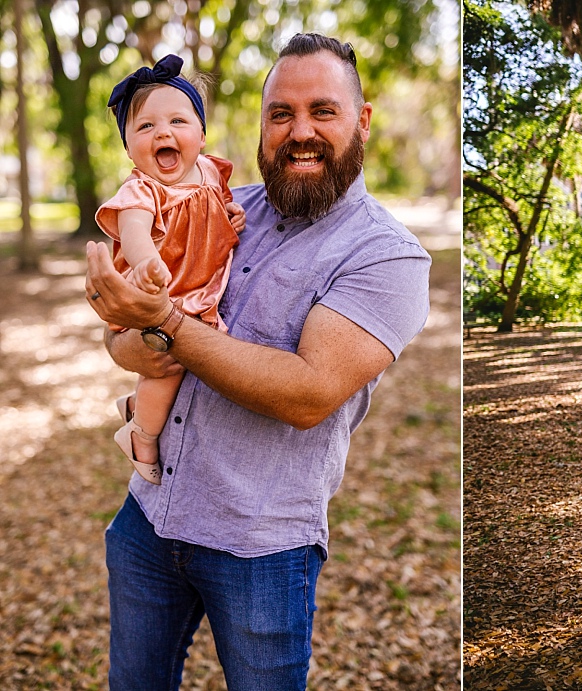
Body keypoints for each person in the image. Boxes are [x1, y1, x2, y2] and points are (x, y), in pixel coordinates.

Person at [83, 34, 432, 689]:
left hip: (261, 546)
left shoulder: (388, 256)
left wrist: (159, 322)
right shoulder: (219, 206)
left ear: (362, 120)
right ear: (261, 125)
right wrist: (131, 322)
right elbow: (122, 338)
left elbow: (308, 393)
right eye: (281, 113)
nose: (300, 131)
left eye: (322, 111)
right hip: (150, 517)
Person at [96, 54, 246, 485]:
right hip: (163, 292)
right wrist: (147, 266)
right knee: (170, 365)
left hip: (200, 287)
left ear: (201, 135)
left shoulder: (208, 173)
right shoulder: (142, 190)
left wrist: (231, 215)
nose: (163, 131)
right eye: (145, 127)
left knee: (192, 363)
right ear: (128, 147)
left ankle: (134, 407)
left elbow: (217, 211)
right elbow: (135, 232)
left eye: (178, 122)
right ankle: (141, 435)